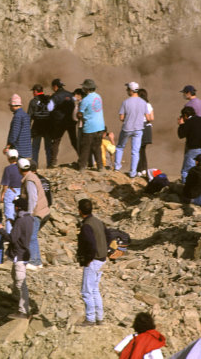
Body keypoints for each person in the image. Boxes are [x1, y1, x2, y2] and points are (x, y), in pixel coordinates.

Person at [0, 197, 33, 320]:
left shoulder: (20, 220)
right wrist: (14, 224)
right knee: (14, 275)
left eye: (15, 207)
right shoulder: (29, 218)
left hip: (19, 254)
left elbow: (12, 238)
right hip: (25, 253)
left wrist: (1, 230)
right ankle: (17, 300)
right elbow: (22, 232)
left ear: (18, 208)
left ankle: (23, 311)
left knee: (20, 283)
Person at [76, 198, 109, 327]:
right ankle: (99, 318)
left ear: (79, 210)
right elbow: (109, 236)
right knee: (95, 290)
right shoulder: (98, 222)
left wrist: (88, 259)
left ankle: (90, 319)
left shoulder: (87, 226)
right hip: (101, 260)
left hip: (93, 261)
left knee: (86, 291)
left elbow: (90, 244)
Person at [17, 158, 50, 270]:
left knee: (31, 236)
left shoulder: (29, 180)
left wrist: (29, 214)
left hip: (37, 213)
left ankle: (34, 262)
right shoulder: (31, 176)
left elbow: (32, 198)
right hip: (42, 210)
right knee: (31, 236)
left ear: (19, 169)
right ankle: (37, 261)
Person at [114, 82, 151, 178]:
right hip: (139, 129)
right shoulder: (143, 103)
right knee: (135, 151)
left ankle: (117, 168)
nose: (126, 91)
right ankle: (133, 172)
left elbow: (121, 118)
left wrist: (128, 118)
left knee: (120, 147)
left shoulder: (125, 102)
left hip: (127, 128)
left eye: (127, 89)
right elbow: (148, 117)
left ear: (131, 90)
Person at [77, 79, 105, 172]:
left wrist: (79, 115)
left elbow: (80, 114)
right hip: (100, 126)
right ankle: (100, 167)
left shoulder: (85, 100)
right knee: (97, 147)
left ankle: (82, 167)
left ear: (86, 88)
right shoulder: (99, 97)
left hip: (90, 127)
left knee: (85, 147)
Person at [49, 78, 78, 167]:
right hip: (71, 122)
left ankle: (53, 162)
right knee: (74, 140)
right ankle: (84, 159)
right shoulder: (70, 94)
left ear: (55, 86)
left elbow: (49, 108)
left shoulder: (55, 96)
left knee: (56, 141)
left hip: (60, 122)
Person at [27, 84, 53, 168]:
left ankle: (35, 166)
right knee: (48, 148)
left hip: (37, 127)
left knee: (35, 148)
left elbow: (29, 117)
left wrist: (27, 129)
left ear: (35, 92)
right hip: (48, 126)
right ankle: (49, 165)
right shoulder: (49, 100)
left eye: (33, 91)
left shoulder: (33, 101)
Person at [0, 149, 22, 233]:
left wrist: (2, 195)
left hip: (11, 192)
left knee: (9, 215)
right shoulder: (21, 167)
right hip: (21, 191)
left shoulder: (8, 169)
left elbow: (6, 184)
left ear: (8, 158)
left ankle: (9, 235)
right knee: (20, 214)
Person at [177, 106, 201, 182]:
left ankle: (186, 189)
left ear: (185, 115)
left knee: (186, 171)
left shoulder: (188, 122)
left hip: (193, 149)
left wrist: (181, 124)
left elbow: (181, 135)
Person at [4, 94, 32, 159]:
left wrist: (8, 146)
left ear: (13, 105)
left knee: (17, 168)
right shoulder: (25, 115)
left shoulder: (17, 116)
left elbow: (14, 133)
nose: (9, 107)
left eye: (10, 105)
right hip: (27, 150)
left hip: (18, 150)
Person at [137, 88, 154, 174]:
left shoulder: (139, 105)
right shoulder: (149, 105)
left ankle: (139, 170)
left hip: (140, 128)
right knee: (142, 149)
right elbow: (151, 118)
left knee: (138, 150)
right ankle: (144, 169)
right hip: (148, 129)